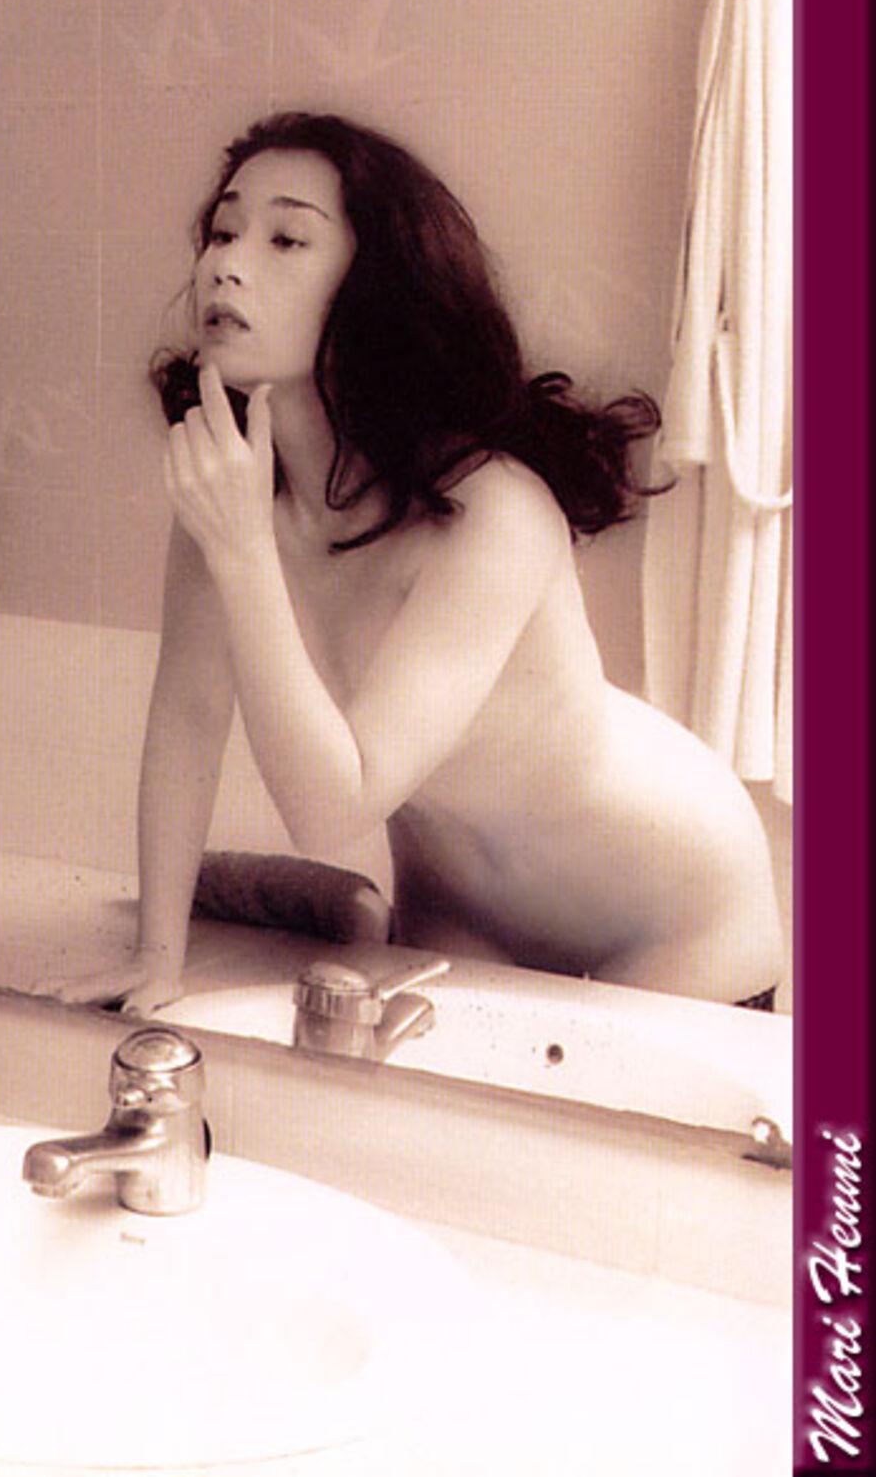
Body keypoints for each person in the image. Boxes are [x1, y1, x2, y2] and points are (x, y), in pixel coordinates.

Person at [61, 110, 782, 1019]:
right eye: (223, 229)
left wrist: (244, 554)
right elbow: (188, 718)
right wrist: (155, 959)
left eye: (286, 239)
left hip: (671, 912)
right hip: (458, 908)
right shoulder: (239, 501)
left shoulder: (495, 508)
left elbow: (336, 809)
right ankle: (344, 914)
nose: (225, 264)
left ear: (375, 288)